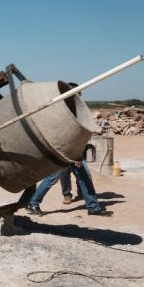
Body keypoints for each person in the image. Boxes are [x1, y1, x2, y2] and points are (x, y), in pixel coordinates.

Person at [26, 82, 112, 217]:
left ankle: (93, 206)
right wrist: (76, 156)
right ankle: (33, 203)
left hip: (69, 152)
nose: (80, 95)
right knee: (53, 178)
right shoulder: (68, 111)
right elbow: (69, 135)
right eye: (78, 92)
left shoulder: (69, 109)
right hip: (66, 153)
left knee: (82, 177)